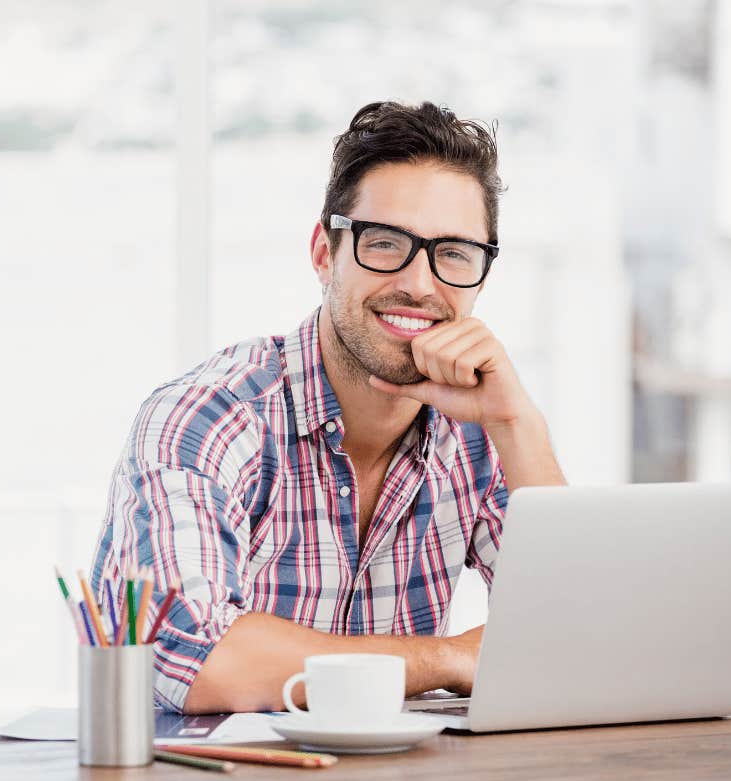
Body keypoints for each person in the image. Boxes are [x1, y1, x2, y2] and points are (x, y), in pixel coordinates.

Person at [91, 100, 567, 714]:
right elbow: (199, 661)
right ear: (325, 253)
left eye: (452, 253)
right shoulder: (206, 418)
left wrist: (516, 423)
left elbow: (578, 639)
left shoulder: (480, 427)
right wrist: (446, 658)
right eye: (386, 242)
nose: (420, 284)